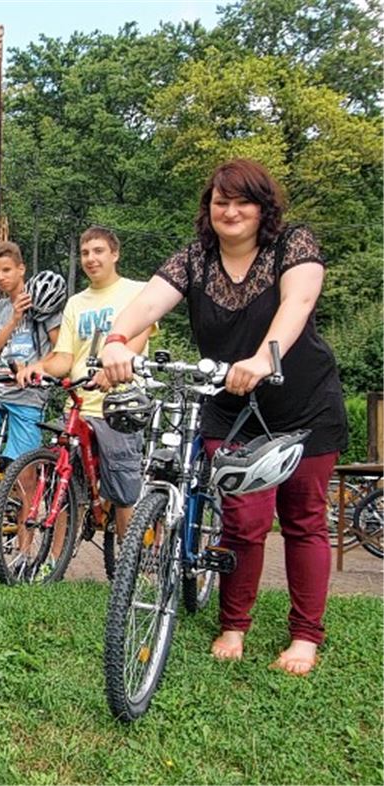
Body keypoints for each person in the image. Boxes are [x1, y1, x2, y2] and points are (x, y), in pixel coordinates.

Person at [100, 158, 347, 676]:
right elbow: (147, 304)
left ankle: (306, 635)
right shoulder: (195, 259)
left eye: (243, 201)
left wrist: (263, 358)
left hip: (303, 403)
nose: (230, 211)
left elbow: (296, 305)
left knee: (303, 520)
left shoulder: (293, 246)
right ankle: (233, 623)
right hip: (230, 406)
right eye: (220, 201)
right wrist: (117, 340)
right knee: (243, 521)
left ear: (263, 208)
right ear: (208, 208)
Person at [20, 227, 154, 546]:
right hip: (78, 405)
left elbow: (140, 336)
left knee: (123, 492)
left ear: (114, 254)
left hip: (120, 403)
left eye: (98, 251)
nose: (91, 259)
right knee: (60, 478)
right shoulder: (76, 303)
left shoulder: (137, 292)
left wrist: (114, 366)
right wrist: (36, 368)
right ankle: (52, 561)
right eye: (85, 253)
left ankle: (129, 568)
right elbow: (64, 358)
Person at [0, 243, 65, 467]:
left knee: (23, 471)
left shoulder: (43, 299)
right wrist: (14, 319)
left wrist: (33, 368)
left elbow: (61, 350)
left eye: (6, 270)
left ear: (21, 269)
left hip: (28, 394)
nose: (1, 278)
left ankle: (25, 502)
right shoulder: (0, 308)